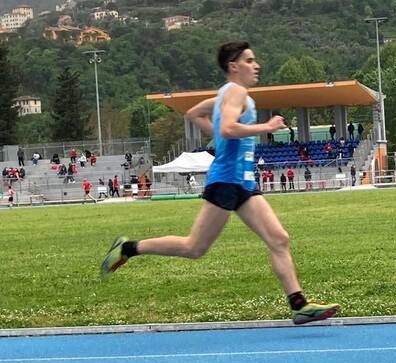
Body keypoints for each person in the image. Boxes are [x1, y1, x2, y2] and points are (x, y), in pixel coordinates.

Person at [100, 41, 339, 325]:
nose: (256, 65)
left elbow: (192, 114)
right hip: (226, 181)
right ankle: (127, 248)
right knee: (194, 248)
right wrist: (266, 127)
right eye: (250, 61)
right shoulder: (235, 92)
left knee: (279, 238)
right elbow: (226, 128)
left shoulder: (227, 95)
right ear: (233, 66)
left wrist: (222, 126)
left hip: (244, 183)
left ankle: (298, 305)